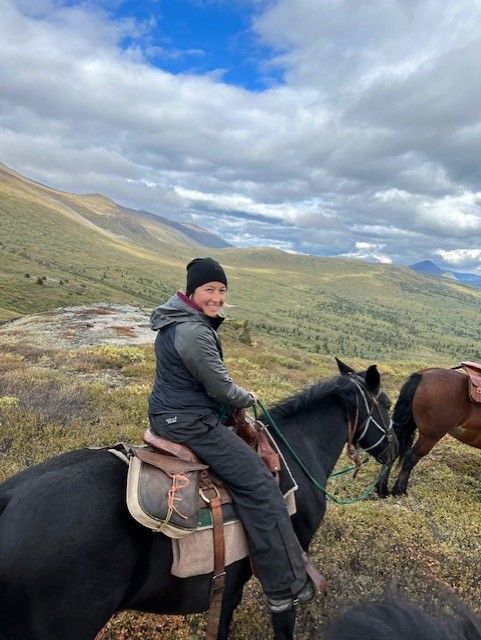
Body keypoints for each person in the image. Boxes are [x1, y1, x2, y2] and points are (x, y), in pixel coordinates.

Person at [148, 257, 316, 611]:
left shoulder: (179, 321)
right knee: (258, 483)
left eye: (222, 290)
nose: (217, 297)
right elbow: (221, 388)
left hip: (174, 415)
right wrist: (247, 397)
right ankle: (282, 587)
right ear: (192, 291)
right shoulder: (193, 330)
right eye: (210, 289)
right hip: (192, 421)